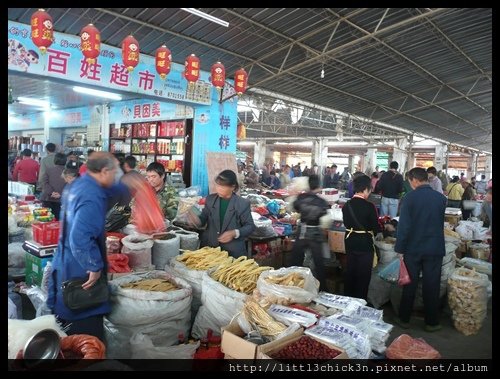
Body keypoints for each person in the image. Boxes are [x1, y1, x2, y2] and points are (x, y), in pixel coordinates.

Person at [47, 152, 130, 340]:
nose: (118, 174)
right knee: (86, 341)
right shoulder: (92, 195)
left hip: (65, 264)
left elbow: (117, 192)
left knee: (65, 332)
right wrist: (93, 265)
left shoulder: (77, 185)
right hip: (79, 274)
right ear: (104, 171)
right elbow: (80, 238)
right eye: (116, 170)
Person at [394, 167, 447, 332]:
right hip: (434, 248)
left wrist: (400, 248)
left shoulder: (409, 198)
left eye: (410, 181)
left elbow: (404, 226)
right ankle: (432, 322)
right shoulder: (440, 198)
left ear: (414, 180)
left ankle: (404, 319)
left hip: (413, 248)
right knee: (432, 284)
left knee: (410, 283)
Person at [195, 170, 256, 258]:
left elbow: (250, 226)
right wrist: (194, 218)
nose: (218, 189)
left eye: (223, 186)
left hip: (232, 253)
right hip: (211, 250)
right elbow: (202, 220)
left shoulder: (242, 204)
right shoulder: (210, 200)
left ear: (232, 187)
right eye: (217, 185)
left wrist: (235, 233)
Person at [342, 174, 382, 301]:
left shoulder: (346, 205)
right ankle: (360, 302)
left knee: (351, 271)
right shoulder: (370, 207)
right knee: (363, 275)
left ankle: (348, 299)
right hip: (364, 243)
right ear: (366, 189)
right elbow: (375, 228)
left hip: (349, 240)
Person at [289, 174, 330, 291]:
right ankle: (323, 290)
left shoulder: (300, 198)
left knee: (295, 261)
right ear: (318, 186)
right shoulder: (322, 202)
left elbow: (293, 208)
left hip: (302, 232)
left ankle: (293, 286)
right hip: (316, 234)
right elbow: (326, 221)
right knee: (319, 264)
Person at [40, 153, 67, 219]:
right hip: (62, 201)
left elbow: (44, 183)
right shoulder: (69, 172)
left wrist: (52, 192)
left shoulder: (49, 170)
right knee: (58, 223)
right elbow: (70, 186)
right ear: (66, 161)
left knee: (47, 220)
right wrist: (60, 194)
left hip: (48, 199)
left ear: (55, 160)